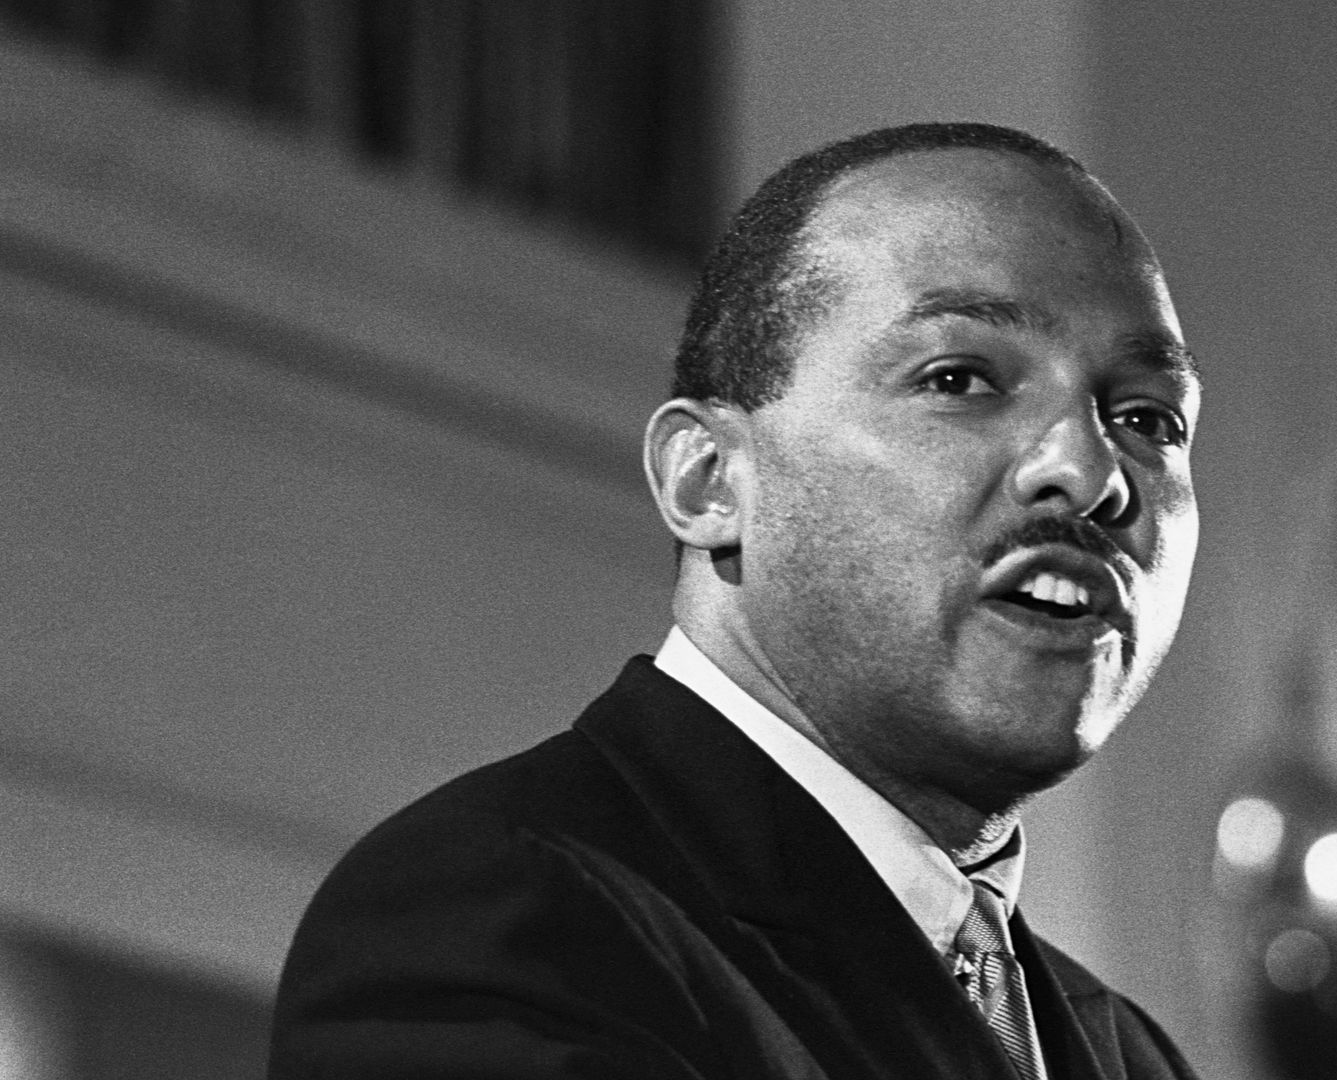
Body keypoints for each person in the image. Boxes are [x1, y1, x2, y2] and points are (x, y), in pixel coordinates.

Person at [268, 121, 1202, 1080]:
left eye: (1148, 418)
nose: (1089, 472)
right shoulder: (501, 916)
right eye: (959, 379)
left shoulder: (1131, 1057)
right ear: (709, 479)